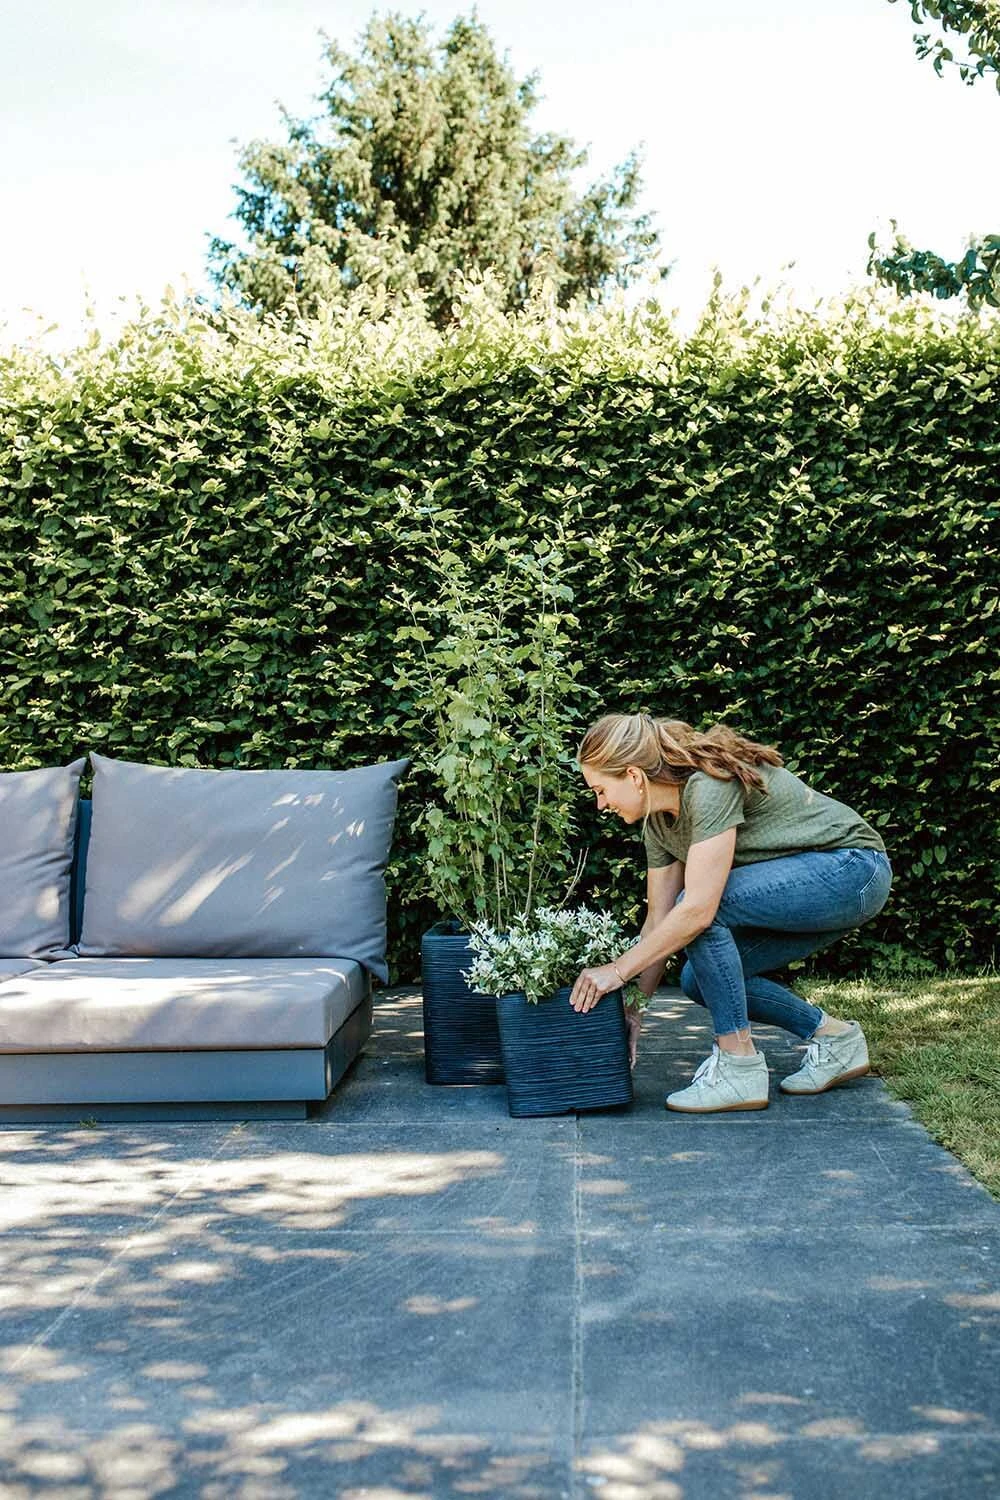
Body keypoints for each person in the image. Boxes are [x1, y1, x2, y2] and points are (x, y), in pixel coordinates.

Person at [568, 713, 892, 1113]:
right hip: (814, 889)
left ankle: (739, 1066)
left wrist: (616, 971)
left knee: (702, 907)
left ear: (634, 776)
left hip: (854, 870)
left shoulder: (708, 786)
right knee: (699, 979)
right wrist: (635, 1011)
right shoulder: (658, 826)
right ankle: (837, 1039)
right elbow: (658, 921)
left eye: (601, 790)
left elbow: (698, 910)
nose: (601, 804)